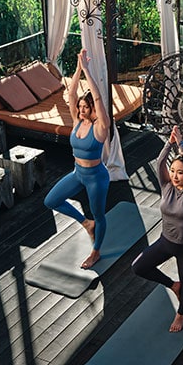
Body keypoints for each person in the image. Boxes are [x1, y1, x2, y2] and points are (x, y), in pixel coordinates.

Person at [132, 125, 183, 332]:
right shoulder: (166, 186)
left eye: (180, 173)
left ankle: (180, 314)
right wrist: (169, 143)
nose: (174, 176)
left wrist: (182, 145)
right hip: (165, 242)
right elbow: (159, 163)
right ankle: (172, 285)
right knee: (138, 267)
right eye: (173, 171)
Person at [44, 48, 111, 269]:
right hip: (77, 173)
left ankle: (96, 252)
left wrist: (88, 71)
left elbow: (99, 96)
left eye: (86, 107)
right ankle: (86, 223)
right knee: (51, 200)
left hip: (96, 178)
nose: (81, 110)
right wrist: (77, 69)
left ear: (93, 109)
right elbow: (71, 95)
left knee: (99, 214)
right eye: (80, 107)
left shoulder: (101, 127)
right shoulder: (77, 121)